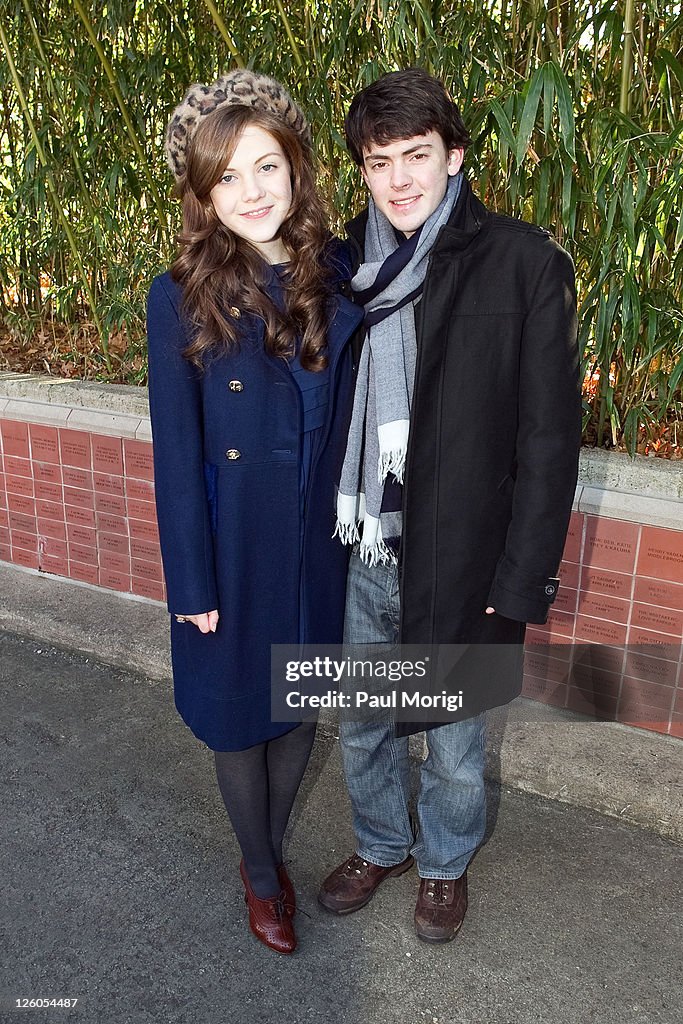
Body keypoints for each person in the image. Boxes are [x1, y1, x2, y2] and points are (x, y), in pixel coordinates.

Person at [318, 68, 581, 943]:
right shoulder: (344, 270)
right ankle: (383, 842)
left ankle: (442, 864)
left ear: (454, 156)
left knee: (457, 744)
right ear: (361, 169)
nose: (397, 179)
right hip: (368, 548)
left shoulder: (524, 263)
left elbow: (547, 444)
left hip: (466, 556)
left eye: (416, 156)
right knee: (362, 724)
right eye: (378, 160)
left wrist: (520, 582)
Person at [147, 70, 362, 956]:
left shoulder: (338, 273)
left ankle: (265, 847)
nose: (251, 193)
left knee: (296, 703)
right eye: (226, 178)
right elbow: (172, 454)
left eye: (265, 167)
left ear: (296, 169)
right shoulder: (181, 294)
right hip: (232, 551)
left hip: (317, 542)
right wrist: (191, 583)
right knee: (240, 714)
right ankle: (261, 869)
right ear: (202, 195)